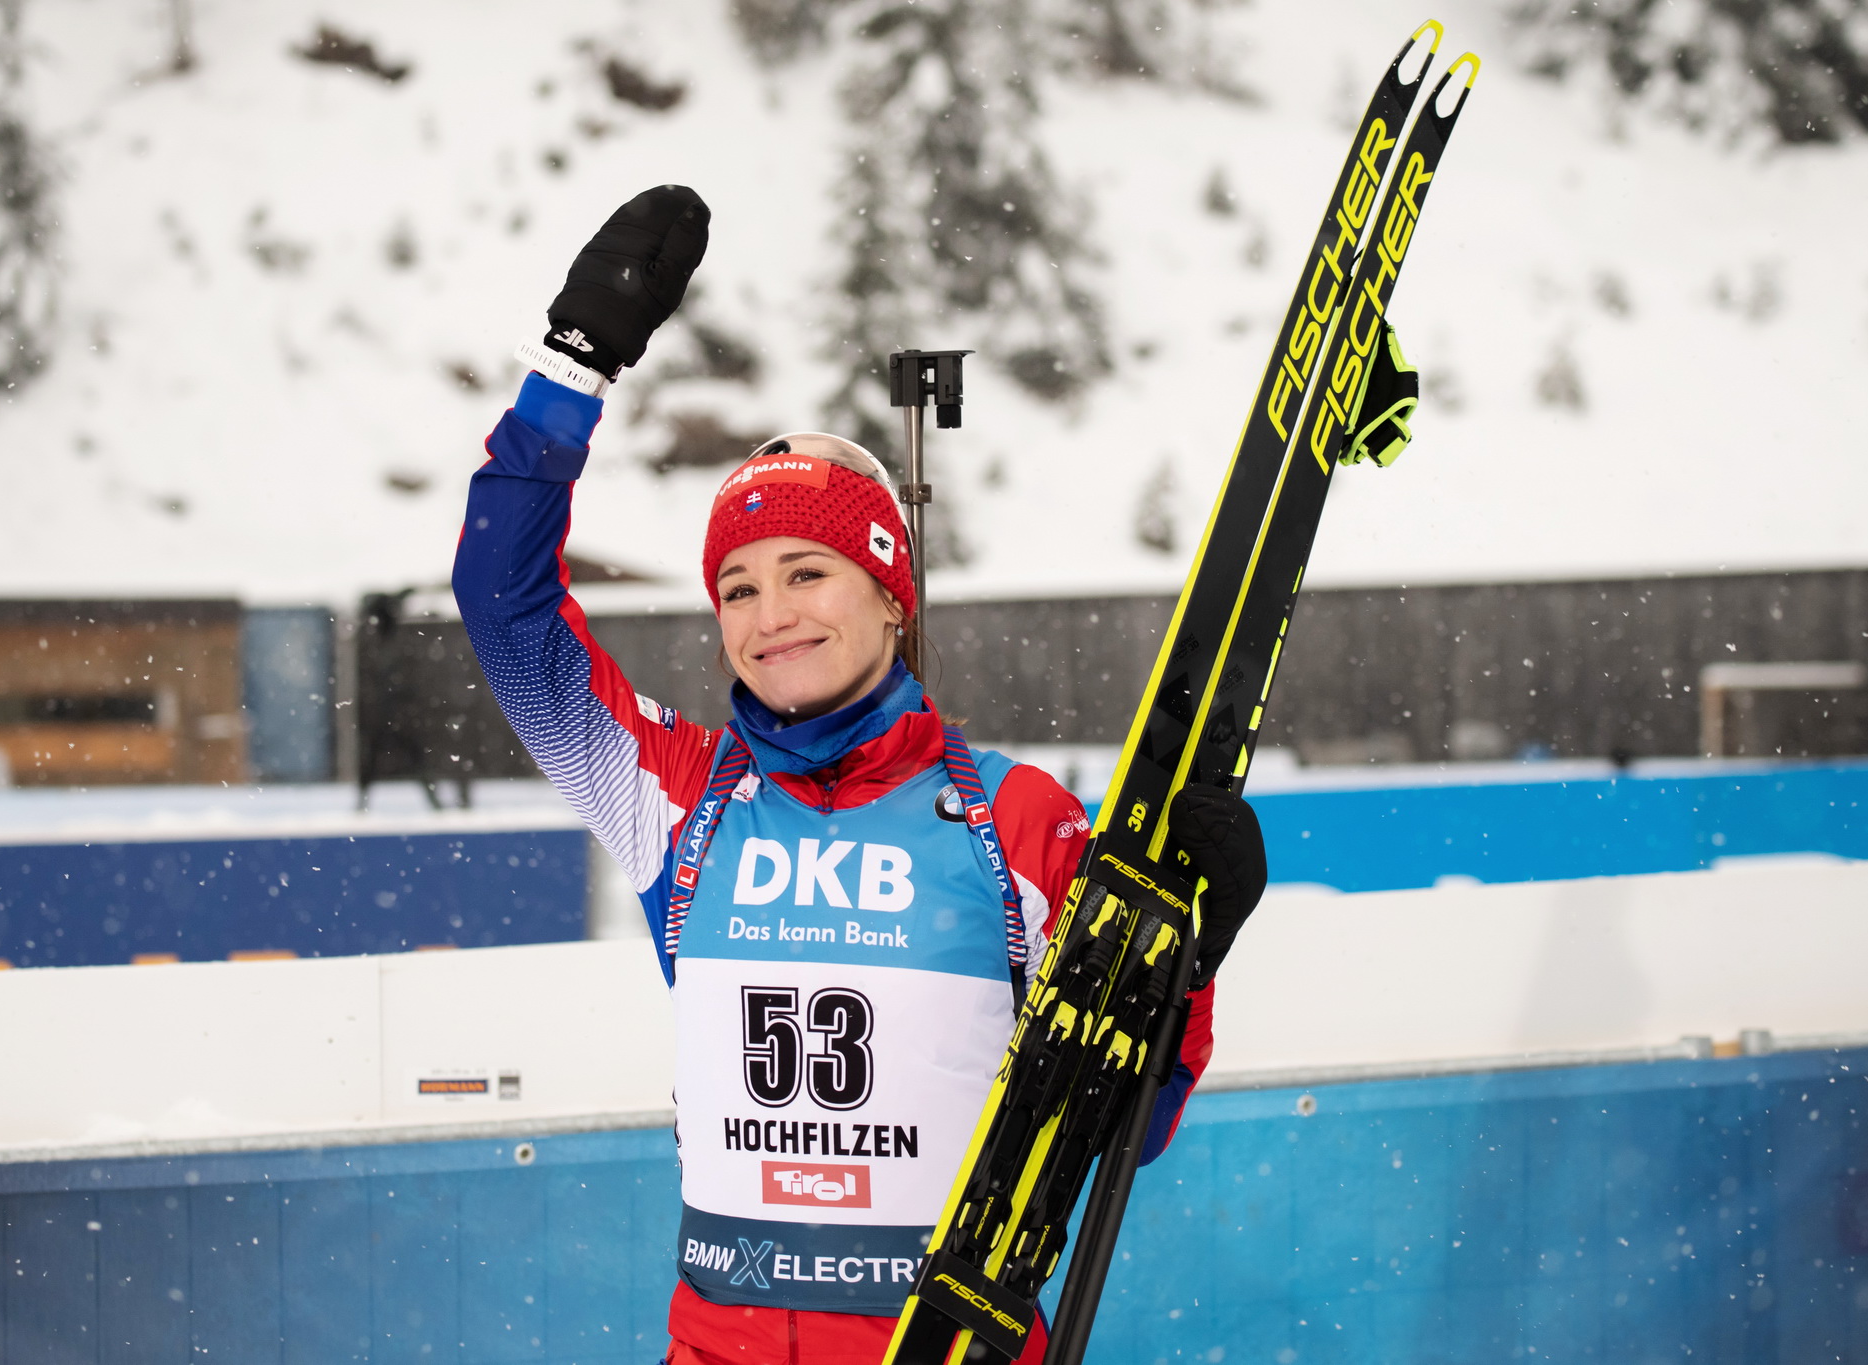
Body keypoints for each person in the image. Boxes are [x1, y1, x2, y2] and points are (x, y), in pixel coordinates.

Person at [453, 186, 1268, 1365]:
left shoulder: (1014, 821)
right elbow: (505, 609)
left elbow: (1120, 1125)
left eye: (807, 573)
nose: (769, 615)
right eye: (738, 587)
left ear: (891, 593)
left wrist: (1190, 958)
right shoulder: (679, 798)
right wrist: (570, 371)